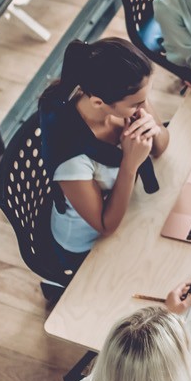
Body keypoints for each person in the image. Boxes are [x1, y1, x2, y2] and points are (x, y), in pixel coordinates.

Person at [37, 38, 170, 270]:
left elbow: (161, 147)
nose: (143, 107)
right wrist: (130, 164)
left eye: (145, 99)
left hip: (128, 208)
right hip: (87, 245)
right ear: (98, 102)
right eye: (137, 104)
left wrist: (153, 130)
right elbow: (104, 225)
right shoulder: (73, 157)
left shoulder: (123, 97)